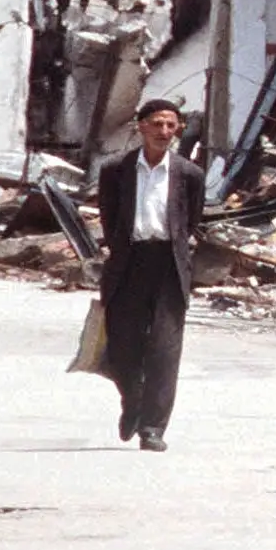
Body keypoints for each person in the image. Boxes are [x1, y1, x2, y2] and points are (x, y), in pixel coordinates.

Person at [95, 98, 206, 451]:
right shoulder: (116, 169)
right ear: (141, 126)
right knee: (123, 347)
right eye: (157, 124)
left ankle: (153, 427)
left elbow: (192, 220)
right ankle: (132, 401)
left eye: (171, 126)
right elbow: (109, 216)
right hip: (128, 263)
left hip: (169, 266)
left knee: (164, 349)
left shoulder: (189, 174)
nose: (164, 132)